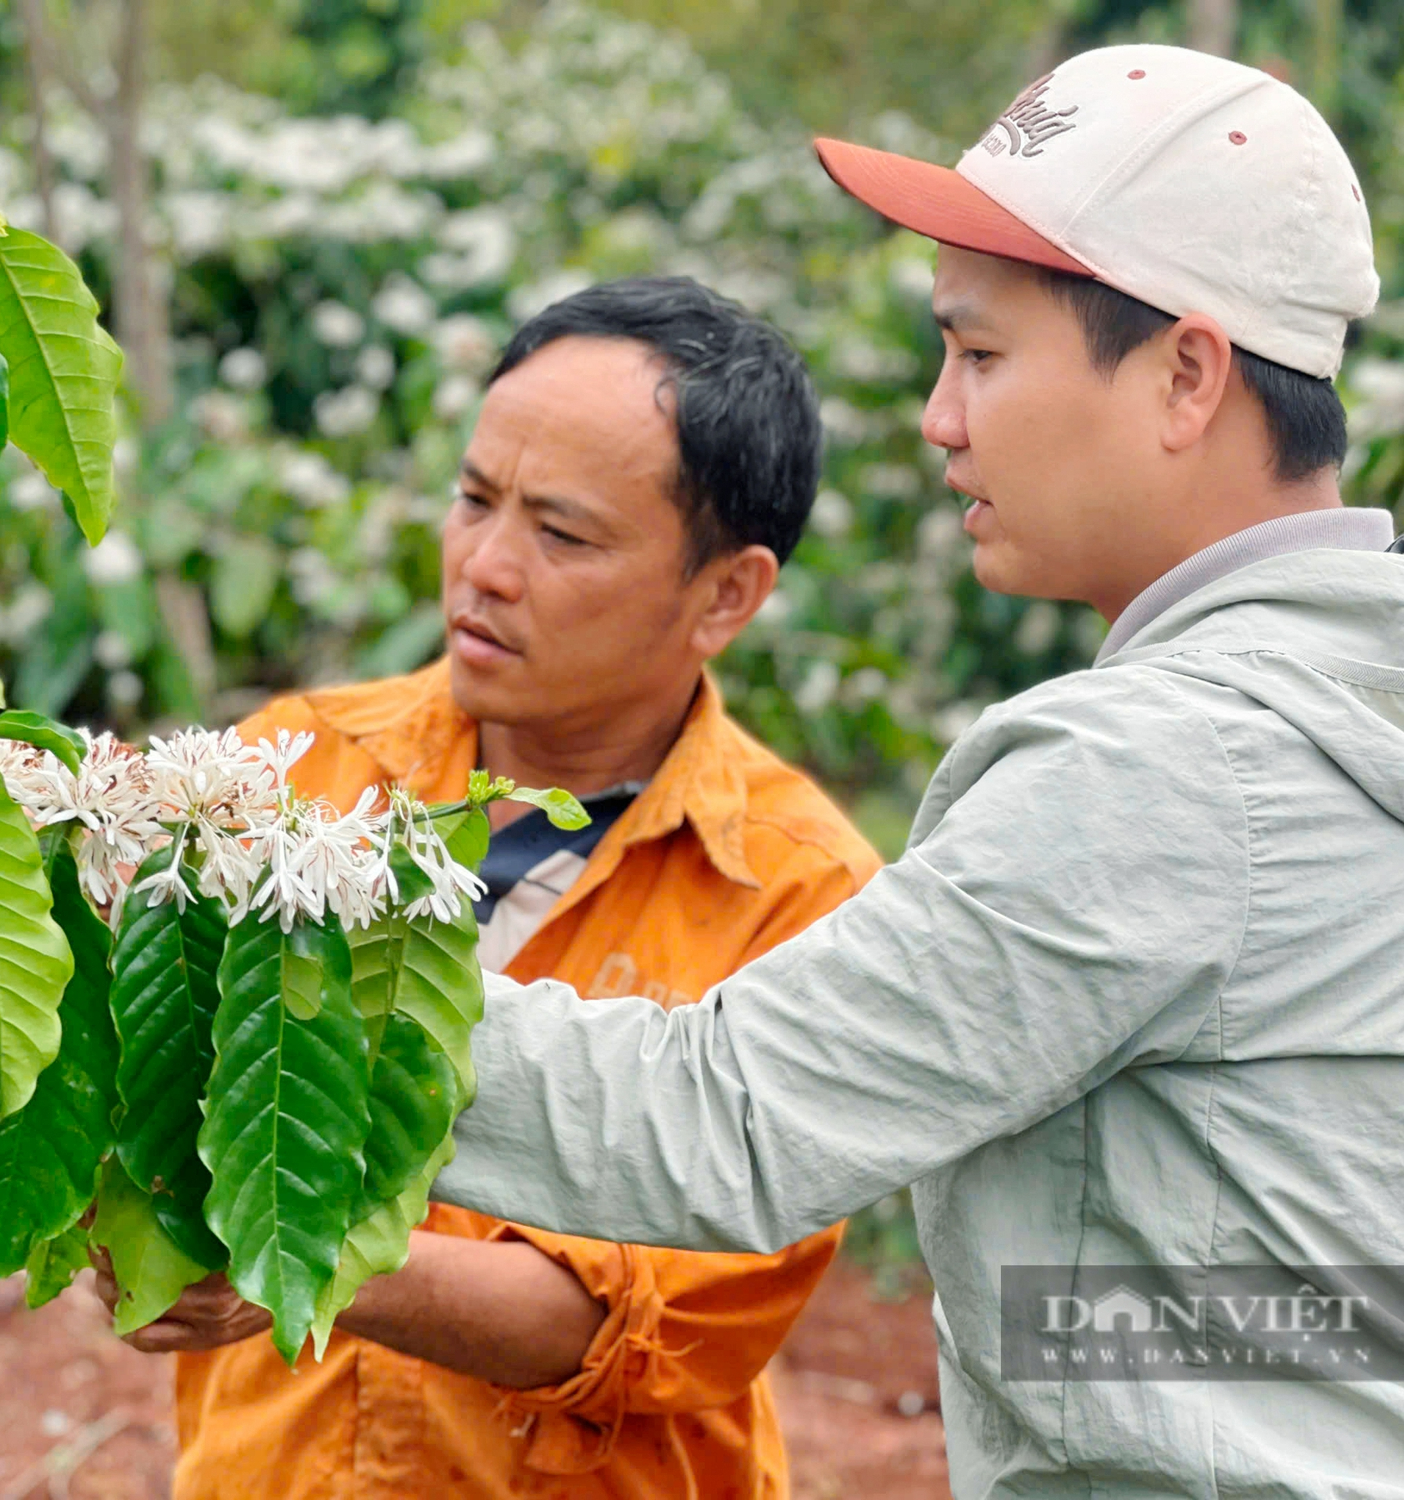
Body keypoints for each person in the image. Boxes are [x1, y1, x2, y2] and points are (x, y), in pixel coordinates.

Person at [415, 44, 1404, 1499]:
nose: (941, 417)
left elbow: (722, 1119)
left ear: (1187, 375)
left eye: (982, 353)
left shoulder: (1172, 769)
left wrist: (290, 996)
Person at [111, 277, 884, 1500]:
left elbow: (647, 1319)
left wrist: (287, 1245)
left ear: (725, 594)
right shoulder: (293, 766)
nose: (485, 566)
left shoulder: (801, 894)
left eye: (561, 535)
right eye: (474, 500)